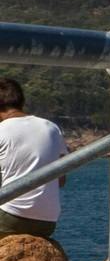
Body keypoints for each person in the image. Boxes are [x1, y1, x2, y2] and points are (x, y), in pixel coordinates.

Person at [0, 80, 67, 242]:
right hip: (47, 222)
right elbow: (61, 180)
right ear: (22, 101)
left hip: (10, 218)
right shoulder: (51, 127)